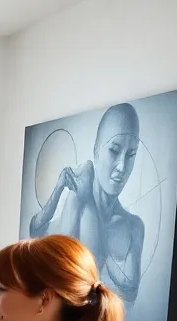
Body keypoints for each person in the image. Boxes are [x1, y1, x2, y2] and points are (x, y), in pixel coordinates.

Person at [29, 103, 144, 305]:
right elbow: (36, 232)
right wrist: (60, 191)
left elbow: (131, 294)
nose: (122, 167)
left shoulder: (133, 226)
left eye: (131, 155)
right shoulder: (77, 204)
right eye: (114, 151)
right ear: (96, 150)